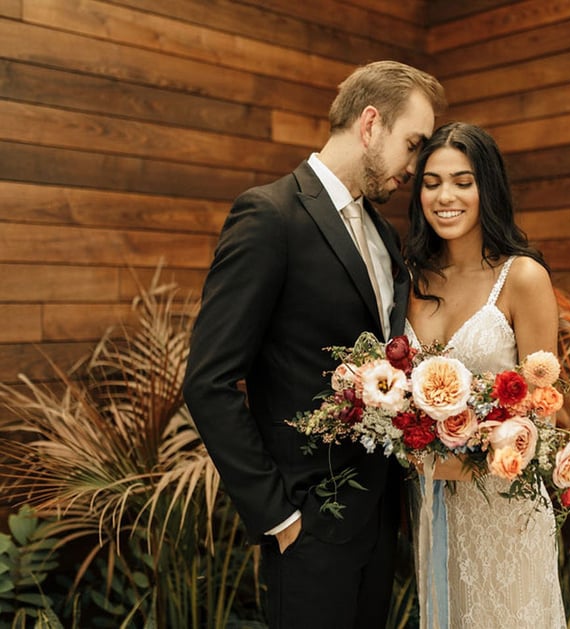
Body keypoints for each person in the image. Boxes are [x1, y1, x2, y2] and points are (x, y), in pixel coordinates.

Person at [182, 61, 446, 629]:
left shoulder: (384, 234)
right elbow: (209, 381)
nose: (414, 166)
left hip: (380, 520)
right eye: (413, 143)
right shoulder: (269, 216)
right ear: (370, 123)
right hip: (306, 527)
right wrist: (278, 517)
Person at [404, 122, 567, 628]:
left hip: (504, 510)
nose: (445, 196)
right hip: (431, 507)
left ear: (487, 187)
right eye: (431, 183)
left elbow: (545, 415)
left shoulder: (522, 277)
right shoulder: (411, 279)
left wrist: (473, 463)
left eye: (462, 181)